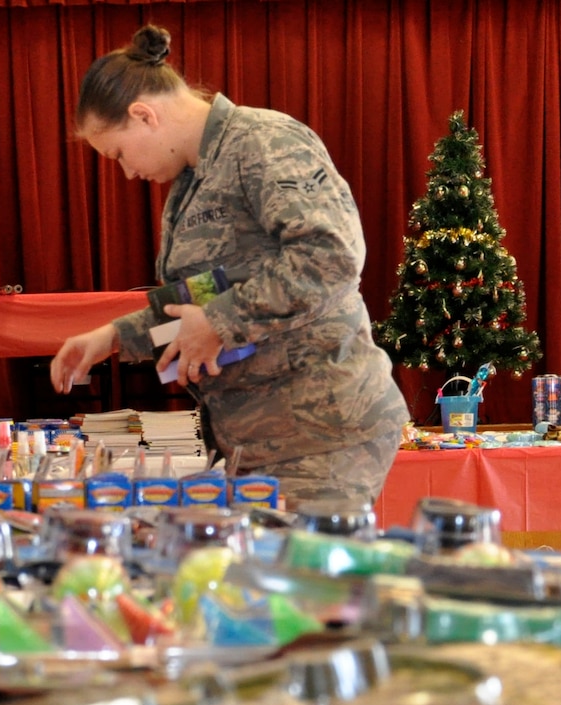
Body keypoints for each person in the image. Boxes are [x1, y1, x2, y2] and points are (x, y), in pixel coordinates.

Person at [49, 26, 408, 508]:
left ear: (144, 115)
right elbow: (205, 295)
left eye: (118, 154)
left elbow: (331, 255)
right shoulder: (193, 178)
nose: (128, 172)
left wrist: (221, 323)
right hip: (260, 438)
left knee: (298, 579)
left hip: (320, 433)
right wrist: (112, 337)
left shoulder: (263, 142)